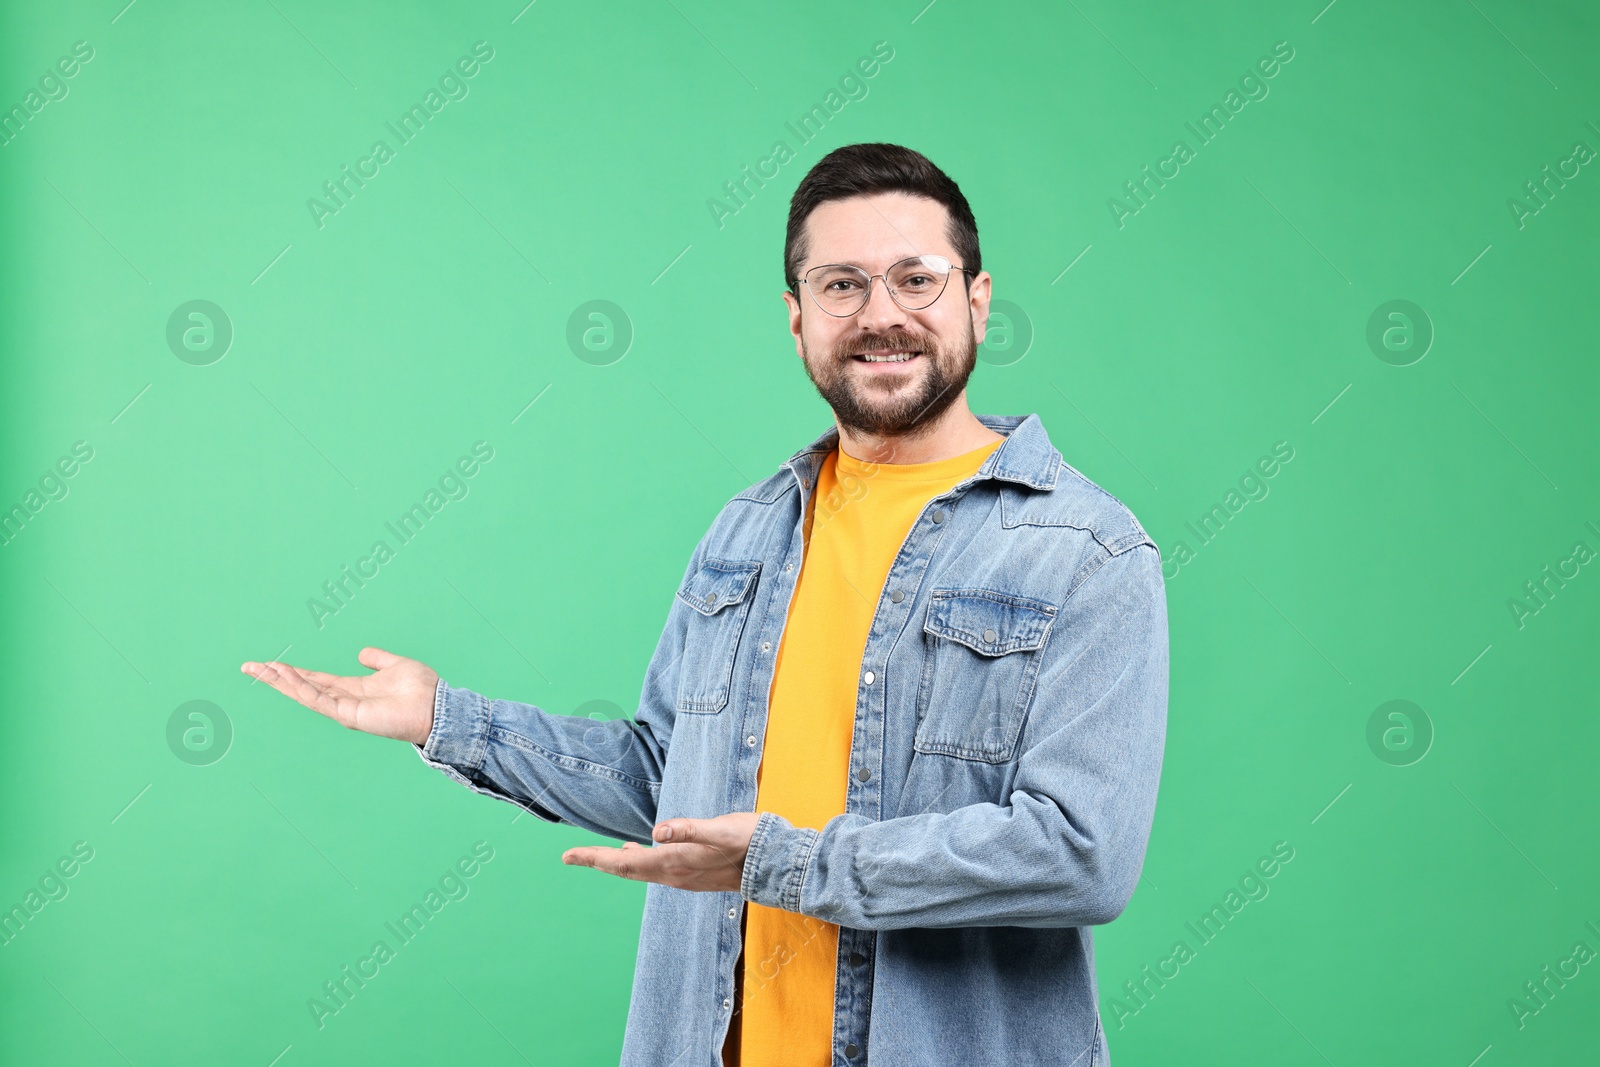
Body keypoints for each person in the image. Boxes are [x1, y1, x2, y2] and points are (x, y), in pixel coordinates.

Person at [242, 142, 1169, 1067]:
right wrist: (449, 720)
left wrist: (782, 862)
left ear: (976, 299)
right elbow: (664, 777)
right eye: (841, 284)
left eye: (915, 279)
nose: (882, 315)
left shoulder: (1088, 552)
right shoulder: (749, 530)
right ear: (797, 317)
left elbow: (1079, 851)